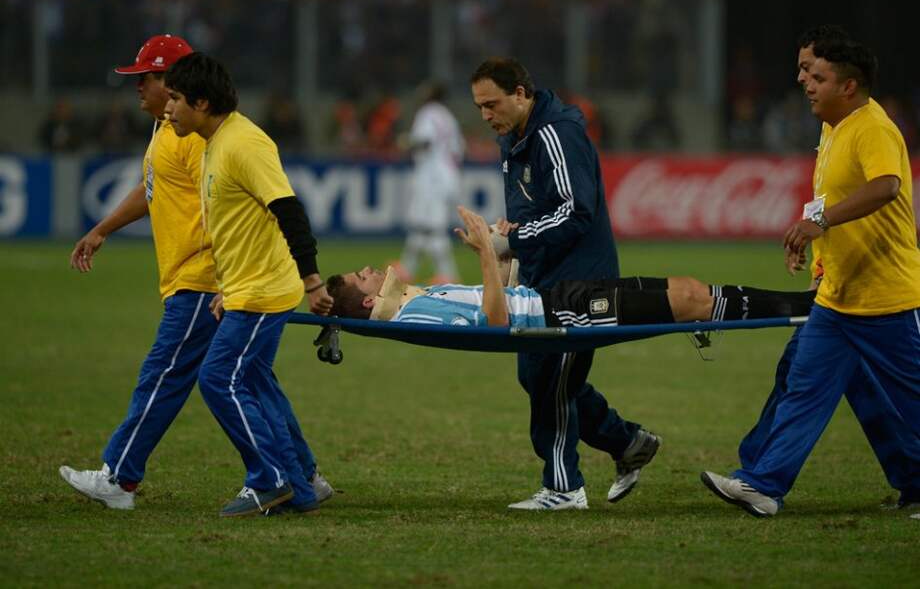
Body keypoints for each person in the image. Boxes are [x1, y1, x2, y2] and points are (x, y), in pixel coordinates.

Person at [58, 35, 333, 513]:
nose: (139, 88)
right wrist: (102, 228)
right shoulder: (176, 132)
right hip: (223, 281)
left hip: (205, 280)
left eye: (147, 78)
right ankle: (303, 476)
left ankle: (120, 477)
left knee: (175, 374)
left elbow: (254, 208)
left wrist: (250, 279)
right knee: (252, 379)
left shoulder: (203, 138)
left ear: (180, 85)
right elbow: (154, 192)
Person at [702, 36, 920, 517]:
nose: (804, 83)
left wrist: (817, 224)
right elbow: (832, 201)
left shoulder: (873, 128)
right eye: (804, 72)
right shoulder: (833, 127)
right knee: (803, 387)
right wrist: (820, 262)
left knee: (910, 400)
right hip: (839, 298)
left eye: (816, 76)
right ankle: (764, 485)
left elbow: (887, 186)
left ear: (849, 85)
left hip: (886, 298)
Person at [469, 56, 654, 511]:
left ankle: (564, 487)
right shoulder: (513, 138)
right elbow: (535, 210)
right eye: (479, 107)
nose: (485, 115)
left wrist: (511, 241)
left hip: (581, 285)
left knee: (552, 380)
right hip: (543, 280)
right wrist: (511, 237)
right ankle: (628, 442)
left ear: (521, 94)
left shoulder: (556, 133)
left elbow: (576, 210)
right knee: (538, 376)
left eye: (492, 104)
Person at [327, 207, 815, 331]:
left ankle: (807, 306)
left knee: (688, 291)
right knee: (690, 302)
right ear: (370, 301)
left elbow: (498, 303)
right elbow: (496, 324)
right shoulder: (415, 316)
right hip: (559, 315)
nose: (370, 268)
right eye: (361, 276)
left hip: (554, 296)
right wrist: (484, 254)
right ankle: (808, 308)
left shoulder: (414, 300)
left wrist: (502, 256)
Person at [394, 82, 465, 285]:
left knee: (433, 228)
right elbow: (459, 148)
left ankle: (448, 276)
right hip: (447, 174)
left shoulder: (427, 112)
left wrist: (406, 142)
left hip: (432, 177)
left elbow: (425, 141)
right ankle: (407, 269)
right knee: (420, 225)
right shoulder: (448, 117)